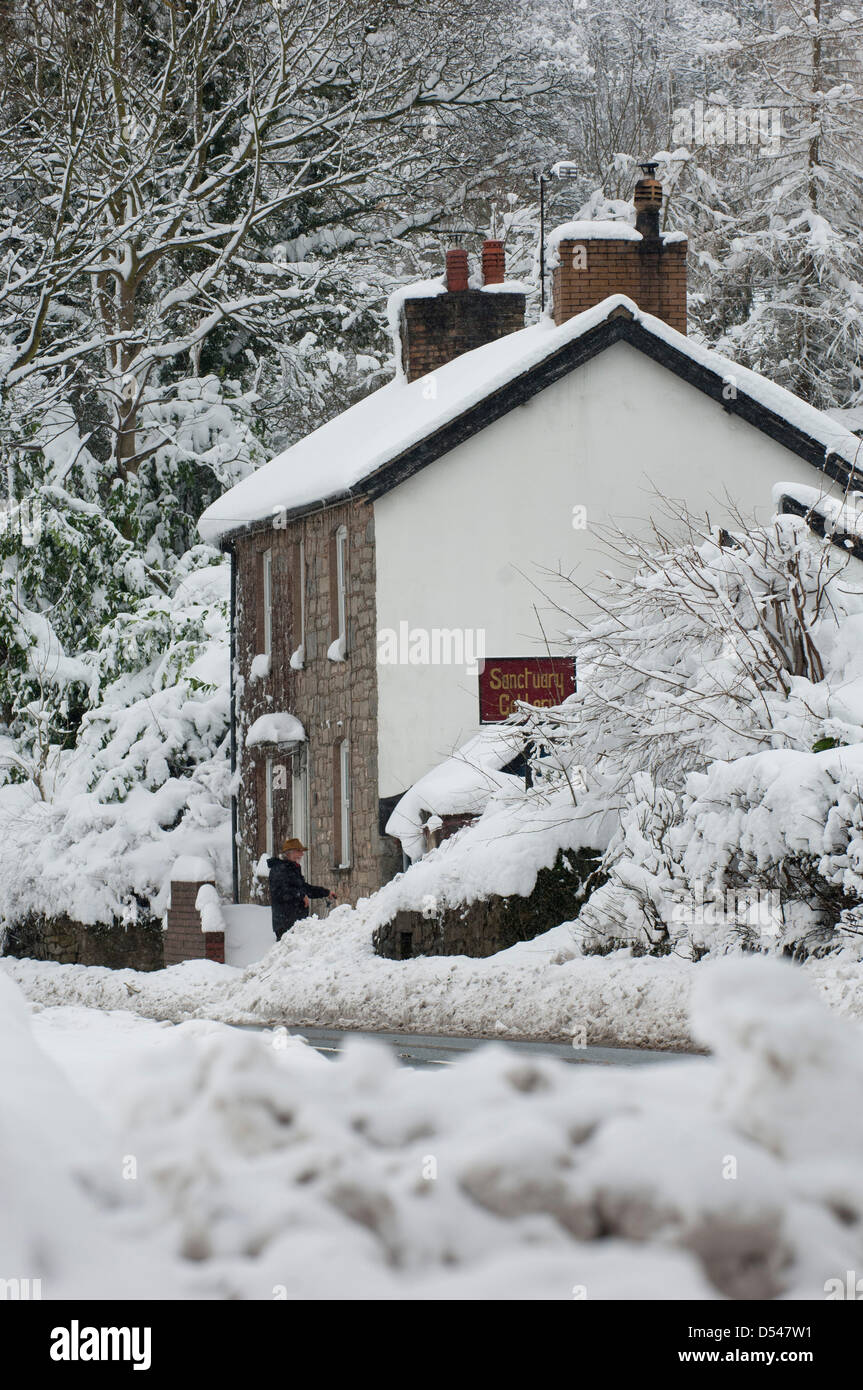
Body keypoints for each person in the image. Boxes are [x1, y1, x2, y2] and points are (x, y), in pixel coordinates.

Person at [267, 838, 335, 941]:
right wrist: (301, 895)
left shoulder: (293, 868)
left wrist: (326, 892)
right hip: (285, 922)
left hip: (296, 921)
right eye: (299, 851)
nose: (302, 855)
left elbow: (304, 888)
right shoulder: (278, 869)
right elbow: (280, 892)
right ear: (290, 853)